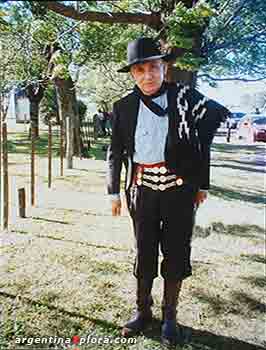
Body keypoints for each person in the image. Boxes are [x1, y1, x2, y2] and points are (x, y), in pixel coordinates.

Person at [106, 37, 230, 346]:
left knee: (176, 252)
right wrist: (113, 191)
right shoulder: (122, 107)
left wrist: (202, 183)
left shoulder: (184, 98)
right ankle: (142, 311)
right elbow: (116, 152)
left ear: (164, 68)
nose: (147, 75)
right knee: (144, 251)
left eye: (153, 67)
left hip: (179, 190)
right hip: (141, 190)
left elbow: (204, 143)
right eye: (140, 70)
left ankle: (170, 316)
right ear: (132, 74)